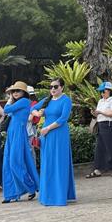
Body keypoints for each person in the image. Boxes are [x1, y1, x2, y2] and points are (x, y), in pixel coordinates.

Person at [32, 78, 76, 206]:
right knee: (47, 163)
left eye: (55, 86)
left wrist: (47, 128)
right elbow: (32, 108)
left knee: (59, 162)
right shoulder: (47, 100)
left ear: (62, 87)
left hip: (59, 134)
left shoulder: (66, 100)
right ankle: (47, 196)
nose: (52, 89)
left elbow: (63, 119)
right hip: (46, 136)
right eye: (51, 87)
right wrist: (37, 114)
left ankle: (59, 196)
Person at [0, 81, 40, 203]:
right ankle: (11, 194)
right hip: (11, 134)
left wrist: (9, 99)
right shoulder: (18, 103)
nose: (15, 93)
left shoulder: (24, 101)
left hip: (19, 133)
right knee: (8, 163)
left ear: (24, 92)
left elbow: (6, 109)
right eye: (13, 91)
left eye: (18, 91)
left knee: (15, 163)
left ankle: (31, 187)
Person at [86, 82, 112, 178]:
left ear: (109, 91)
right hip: (100, 125)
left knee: (111, 147)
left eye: (103, 91)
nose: (102, 93)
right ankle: (97, 170)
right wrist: (94, 113)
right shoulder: (100, 101)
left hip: (109, 125)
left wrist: (101, 112)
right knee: (99, 148)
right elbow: (99, 114)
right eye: (101, 91)